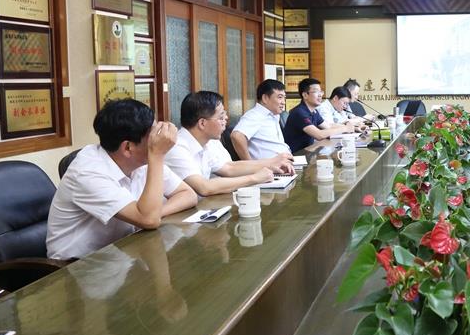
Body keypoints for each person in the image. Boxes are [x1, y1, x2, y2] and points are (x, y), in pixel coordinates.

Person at [46, 99, 198, 260]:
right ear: (127, 147)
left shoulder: (141, 160)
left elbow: (188, 195)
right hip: (77, 266)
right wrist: (157, 155)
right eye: (152, 135)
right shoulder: (87, 172)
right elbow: (149, 220)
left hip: (124, 253)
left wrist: (156, 213)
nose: (158, 139)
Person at [165, 91, 291, 196]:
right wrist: (255, 178)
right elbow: (204, 187)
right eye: (220, 117)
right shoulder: (176, 147)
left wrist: (272, 164)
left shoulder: (209, 141)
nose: (226, 119)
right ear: (202, 123)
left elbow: (229, 168)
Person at [284, 78, 356, 152]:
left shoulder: (314, 111)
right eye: (316, 91)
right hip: (296, 155)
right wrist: (345, 128)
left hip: (308, 151)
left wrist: (350, 127)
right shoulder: (299, 113)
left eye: (320, 91)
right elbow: (319, 135)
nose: (320, 95)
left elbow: (328, 126)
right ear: (305, 95)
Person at [231, 79, 294, 161]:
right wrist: (250, 164)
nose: (283, 102)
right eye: (280, 97)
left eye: (284, 98)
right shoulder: (255, 115)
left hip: (285, 162)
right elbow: (236, 136)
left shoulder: (273, 115)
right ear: (265, 98)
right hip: (270, 167)